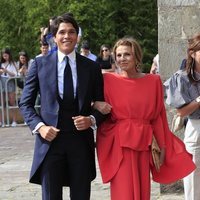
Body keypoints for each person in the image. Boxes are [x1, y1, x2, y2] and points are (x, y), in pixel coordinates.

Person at [93, 37, 196, 200]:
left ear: (137, 57)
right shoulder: (108, 80)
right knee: (123, 192)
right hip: (120, 145)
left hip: (144, 143)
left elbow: (158, 118)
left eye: (127, 54)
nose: (122, 59)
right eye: (118, 55)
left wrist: (162, 146)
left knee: (142, 192)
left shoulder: (153, 81)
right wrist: (97, 104)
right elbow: (91, 100)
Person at [19, 14, 106, 200]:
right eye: (62, 32)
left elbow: (101, 105)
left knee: (81, 196)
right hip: (50, 143)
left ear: (77, 36)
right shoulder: (39, 65)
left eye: (72, 32)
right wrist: (40, 127)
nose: (67, 36)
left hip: (81, 143)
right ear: (54, 37)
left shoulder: (91, 67)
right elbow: (25, 103)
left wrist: (91, 119)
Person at [164, 33, 200, 200]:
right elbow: (181, 111)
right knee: (193, 177)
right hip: (196, 126)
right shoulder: (183, 76)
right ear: (192, 53)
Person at [0, 48, 18, 127]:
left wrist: (6, 71)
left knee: (12, 102)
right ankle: (2, 121)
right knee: (1, 103)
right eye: (3, 56)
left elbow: (15, 74)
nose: (5, 57)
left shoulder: (12, 63)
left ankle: (14, 120)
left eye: (6, 56)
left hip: (10, 82)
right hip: (2, 82)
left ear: (9, 55)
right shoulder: (1, 63)